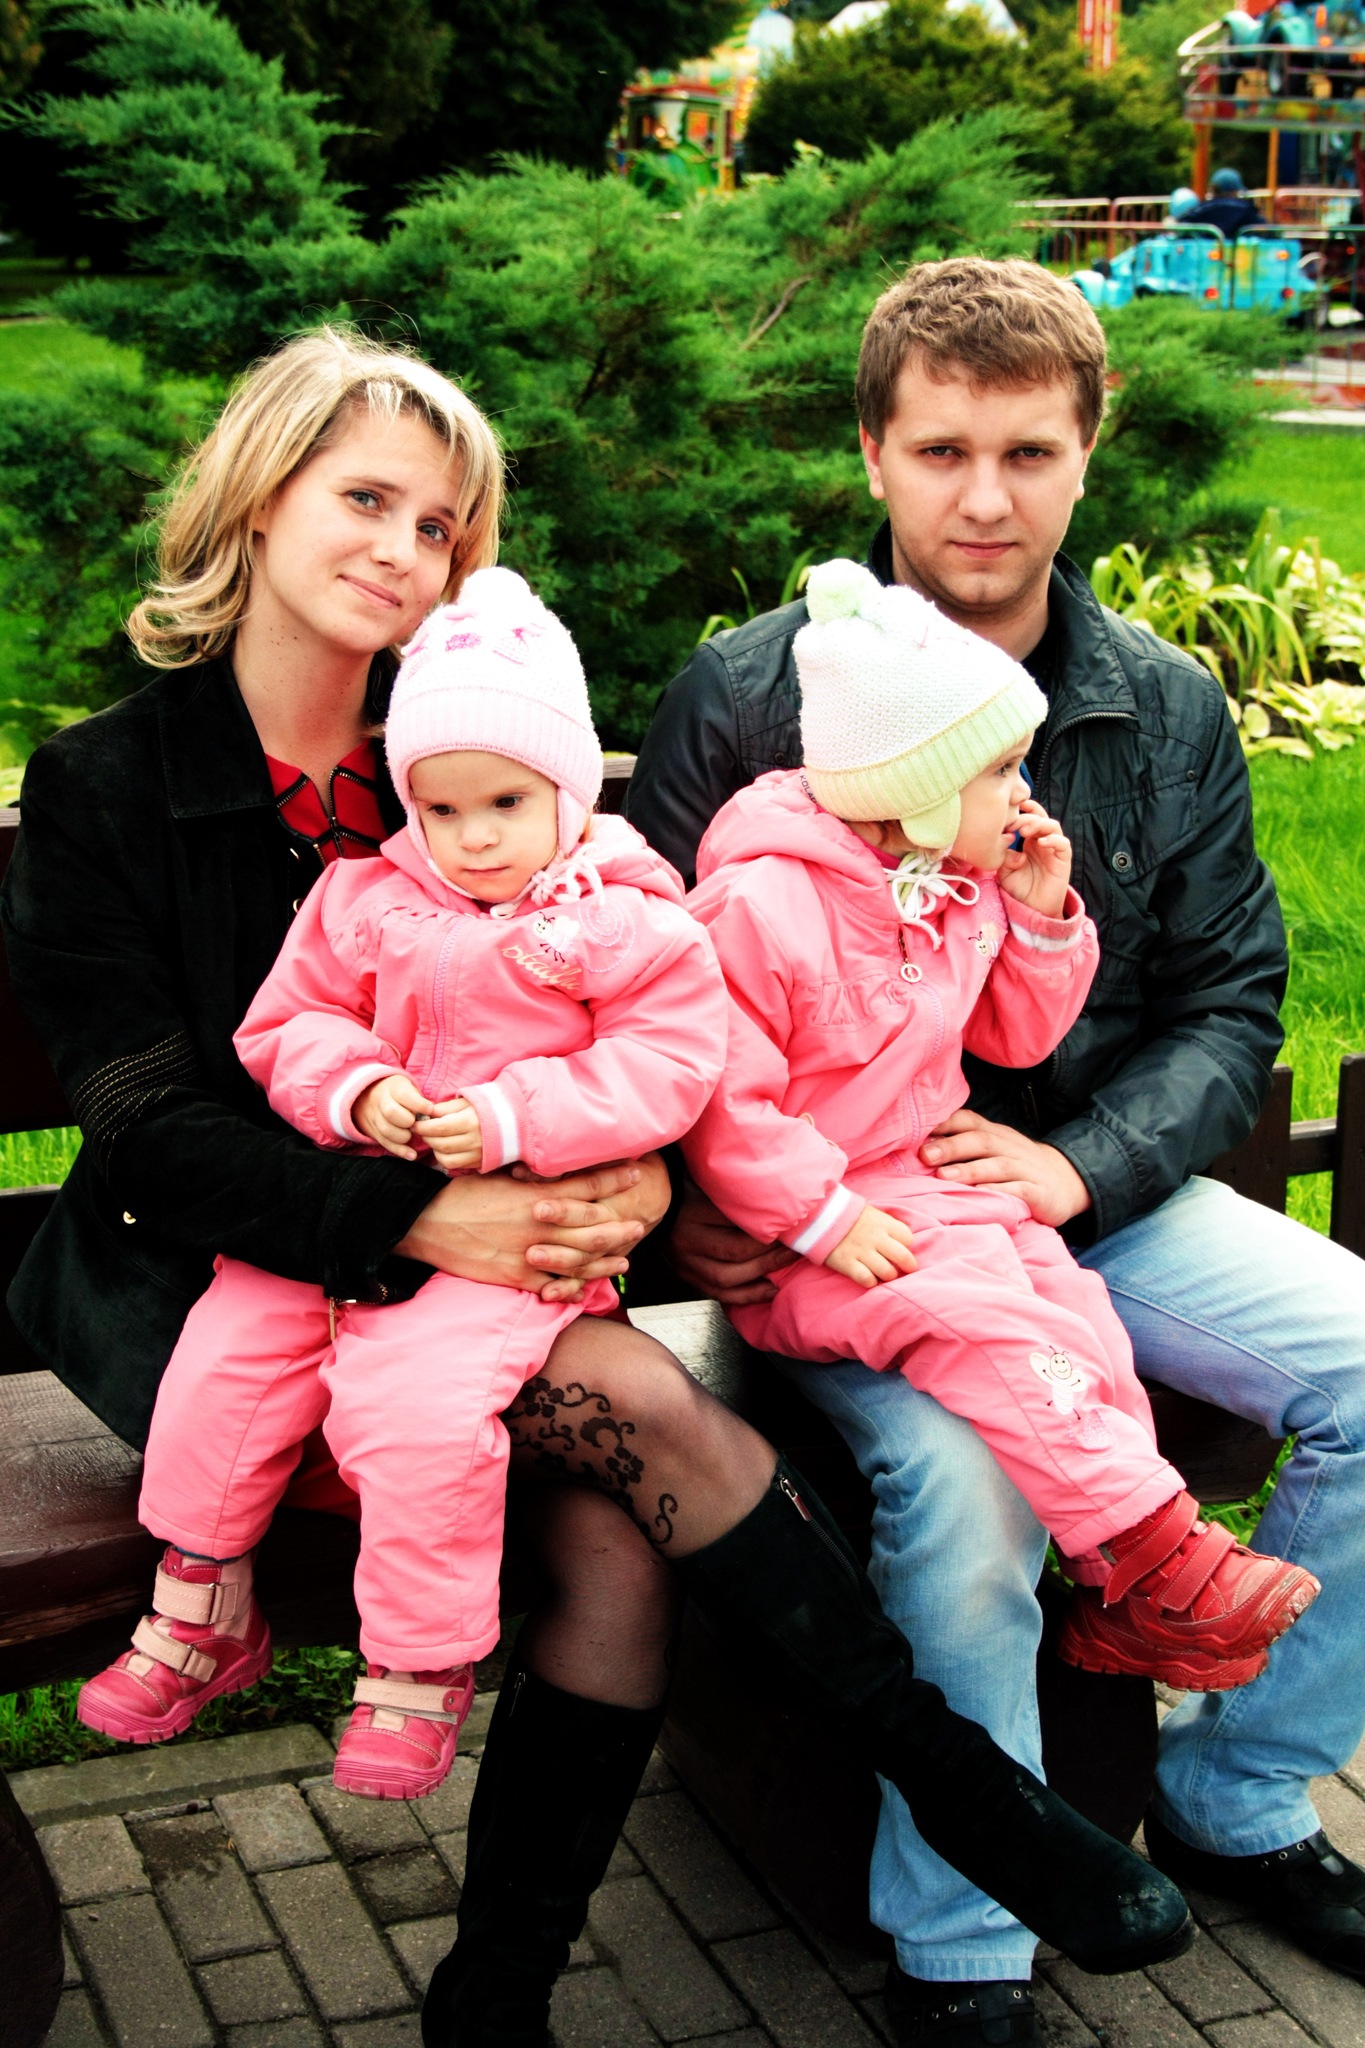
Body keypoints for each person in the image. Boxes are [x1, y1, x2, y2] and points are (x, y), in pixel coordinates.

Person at [3, 323, 1193, 2047]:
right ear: (258, 500)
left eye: (440, 526)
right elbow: (145, 1125)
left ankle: (495, 1996)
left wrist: (634, 1173)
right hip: (221, 1297)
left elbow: (644, 1006)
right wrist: (425, 1213)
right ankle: (964, 1788)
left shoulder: (483, 758)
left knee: (620, 1551)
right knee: (645, 1409)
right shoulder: (113, 782)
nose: (402, 550)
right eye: (364, 499)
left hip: (502, 1281)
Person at [627, 257, 1365, 2034]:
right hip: (852, 1233)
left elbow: (1229, 1000)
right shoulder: (747, 697)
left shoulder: (1160, 707)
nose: (983, 496)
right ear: (873, 453)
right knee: (969, 1498)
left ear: (1086, 454)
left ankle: (1239, 1784)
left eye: (1027, 451)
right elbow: (637, 1006)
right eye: (941, 449)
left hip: (1090, 1202)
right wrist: (704, 1218)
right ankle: (964, 1944)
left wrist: (1080, 1165)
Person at [73, 566, 733, 1800]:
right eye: (439, 807)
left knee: (414, 1408)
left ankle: (419, 1664)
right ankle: (202, 1600)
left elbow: (670, 1062)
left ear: (569, 791)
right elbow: (292, 1022)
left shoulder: (623, 919)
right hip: (340, 1211)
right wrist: (355, 1089)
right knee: (225, 1351)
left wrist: (513, 1113)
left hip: (512, 1243)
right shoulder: (367, 896)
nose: (472, 835)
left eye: (506, 802)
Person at [683, 555, 1318, 1694]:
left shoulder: (950, 879)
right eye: (999, 770)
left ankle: (1120, 1589)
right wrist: (821, 1217)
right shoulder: (759, 905)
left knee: (1082, 1325)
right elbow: (722, 1100)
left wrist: (1037, 918)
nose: (1025, 792)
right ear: (917, 790)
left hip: (934, 1192)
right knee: (991, 1332)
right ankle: (1160, 1550)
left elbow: (1015, 1042)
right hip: (819, 1239)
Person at [1183, 167, 1266, 238]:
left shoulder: (1200, 211)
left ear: (1213, 190)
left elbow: (1181, 231)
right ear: (1234, 191)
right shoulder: (1247, 211)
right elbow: (1266, 232)